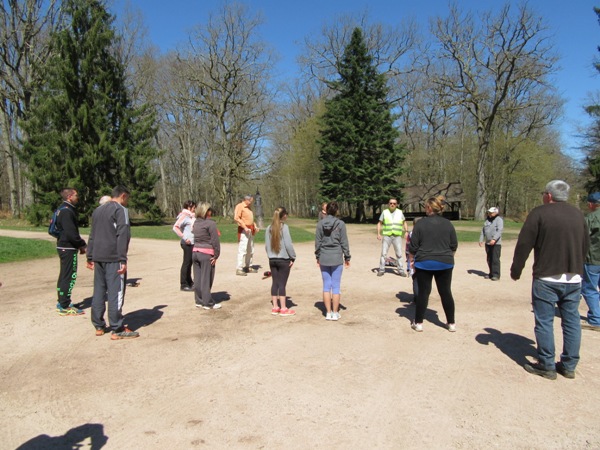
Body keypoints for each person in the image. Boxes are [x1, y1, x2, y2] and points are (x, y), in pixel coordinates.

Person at [510, 180, 589, 380]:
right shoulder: (578, 215)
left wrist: (516, 269)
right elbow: (585, 245)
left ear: (549, 195)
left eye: (544, 193)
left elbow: (524, 243)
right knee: (571, 322)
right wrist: (579, 269)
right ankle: (569, 365)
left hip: (547, 276)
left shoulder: (540, 213)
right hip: (573, 276)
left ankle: (546, 364)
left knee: (544, 321)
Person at [86, 186, 139, 340]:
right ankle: (117, 327)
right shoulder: (120, 210)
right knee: (116, 291)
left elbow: (92, 234)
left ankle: (98, 325)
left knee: (99, 290)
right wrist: (122, 258)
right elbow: (123, 234)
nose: (127, 202)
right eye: (127, 198)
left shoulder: (98, 210)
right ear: (123, 196)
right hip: (113, 257)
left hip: (98, 256)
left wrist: (90, 256)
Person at [408, 196, 457, 332]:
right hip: (445, 262)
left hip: (424, 262)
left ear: (429, 208)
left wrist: (411, 260)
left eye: (425, 206)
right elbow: (454, 245)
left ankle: (418, 323)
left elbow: (413, 246)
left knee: (424, 292)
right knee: (446, 292)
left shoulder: (420, 224)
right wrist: (448, 257)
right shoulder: (448, 224)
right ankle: (451, 323)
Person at [315, 201, 351, 321]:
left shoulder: (320, 224)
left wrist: (317, 257)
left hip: (324, 257)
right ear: (336, 211)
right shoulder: (341, 224)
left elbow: (318, 242)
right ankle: (335, 313)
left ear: (326, 210)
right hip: (336, 257)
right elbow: (344, 242)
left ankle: (328, 313)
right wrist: (347, 257)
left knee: (326, 285)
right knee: (336, 286)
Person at [55, 188, 87, 316]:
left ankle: (62, 301)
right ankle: (65, 306)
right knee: (69, 276)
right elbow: (71, 233)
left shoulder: (61, 209)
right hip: (68, 247)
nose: (77, 197)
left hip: (63, 246)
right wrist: (82, 245)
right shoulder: (67, 211)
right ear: (69, 196)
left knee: (64, 275)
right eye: (76, 195)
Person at [265, 207, 297, 316]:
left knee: (275, 282)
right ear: (283, 215)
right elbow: (288, 245)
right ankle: (283, 308)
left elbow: (267, 246)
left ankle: (275, 307)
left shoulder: (269, 228)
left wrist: (270, 256)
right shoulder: (284, 227)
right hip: (283, 259)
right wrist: (293, 257)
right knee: (282, 284)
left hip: (272, 259)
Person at [192, 202, 222, 310]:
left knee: (197, 278)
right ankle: (208, 303)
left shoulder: (195, 222)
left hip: (195, 252)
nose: (211, 212)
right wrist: (216, 255)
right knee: (206, 278)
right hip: (206, 253)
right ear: (206, 211)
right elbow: (215, 241)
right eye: (210, 210)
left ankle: (199, 300)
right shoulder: (210, 223)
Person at [376, 198, 408, 277]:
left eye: (394, 203)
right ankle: (381, 270)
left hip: (397, 236)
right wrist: (378, 233)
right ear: (388, 204)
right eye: (391, 203)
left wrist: (406, 231)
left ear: (396, 205)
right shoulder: (385, 212)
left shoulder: (400, 212)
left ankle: (401, 270)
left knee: (399, 254)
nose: (392, 204)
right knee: (383, 254)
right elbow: (379, 223)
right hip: (387, 236)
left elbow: (404, 222)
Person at [582, 192, 600, 331]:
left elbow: (582, 237)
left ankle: (595, 319)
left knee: (589, 288)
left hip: (593, 258)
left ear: (591, 204)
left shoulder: (591, 218)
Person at [173, 200, 196, 291]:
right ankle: (183, 284)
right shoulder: (184, 216)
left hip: (192, 243)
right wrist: (185, 238)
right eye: (193, 207)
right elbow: (175, 227)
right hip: (187, 243)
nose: (194, 209)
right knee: (186, 263)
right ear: (189, 207)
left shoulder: (191, 216)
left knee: (190, 263)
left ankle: (189, 282)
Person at [234, 194, 259, 276]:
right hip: (244, 230)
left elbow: (251, 220)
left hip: (250, 229)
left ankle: (248, 266)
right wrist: (244, 227)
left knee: (250, 249)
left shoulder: (249, 208)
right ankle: (239, 268)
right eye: (250, 201)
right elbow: (237, 218)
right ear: (246, 199)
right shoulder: (240, 206)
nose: (251, 202)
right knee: (242, 249)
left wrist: (255, 226)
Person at [479, 206, 503, 281]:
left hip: (496, 243)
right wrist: (481, 240)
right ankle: (491, 273)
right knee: (489, 259)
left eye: (491, 213)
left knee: (495, 259)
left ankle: (496, 275)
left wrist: (494, 239)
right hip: (488, 243)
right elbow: (483, 231)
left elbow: (499, 231)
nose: (489, 214)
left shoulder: (499, 220)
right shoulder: (487, 220)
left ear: (495, 213)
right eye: (489, 212)